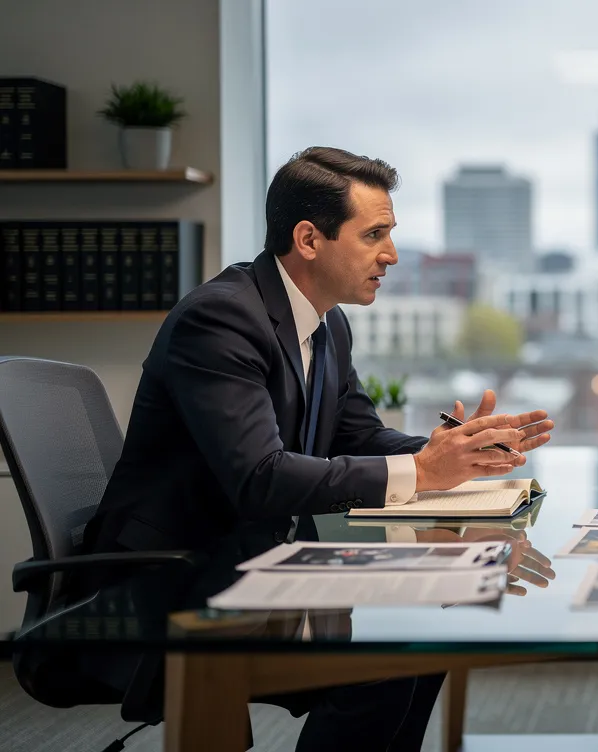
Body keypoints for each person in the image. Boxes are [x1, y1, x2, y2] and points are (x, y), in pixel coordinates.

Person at [82, 146, 553, 751]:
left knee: (420, 642)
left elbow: (358, 436)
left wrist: (452, 452)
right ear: (308, 239)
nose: (392, 253)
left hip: (262, 560)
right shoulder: (221, 320)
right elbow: (261, 478)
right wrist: (421, 470)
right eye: (374, 234)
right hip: (176, 583)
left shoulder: (327, 323)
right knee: (385, 661)